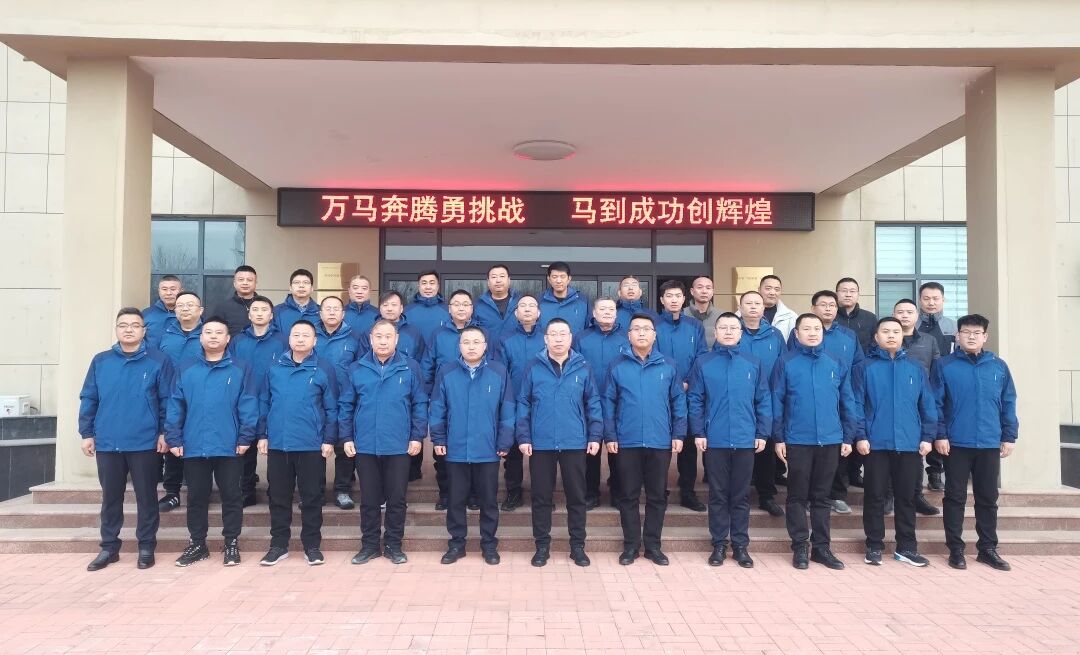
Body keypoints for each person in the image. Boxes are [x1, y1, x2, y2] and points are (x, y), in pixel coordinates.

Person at [79, 308, 173, 571]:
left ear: (144, 331)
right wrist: (87, 433)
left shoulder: (158, 360)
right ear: (116, 329)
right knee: (111, 498)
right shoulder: (101, 361)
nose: (129, 329)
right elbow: (89, 397)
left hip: (145, 442)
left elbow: (167, 399)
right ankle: (109, 547)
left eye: (135, 325)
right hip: (108, 441)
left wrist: (165, 432)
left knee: (147, 497)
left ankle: (146, 546)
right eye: (123, 325)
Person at [165, 317, 259, 567]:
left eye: (219, 332)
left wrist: (246, 436)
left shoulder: (241, 368)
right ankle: (198, 544)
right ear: (201, 337)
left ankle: (231, 543)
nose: (214, 336)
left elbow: (248, 403)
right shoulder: (186, 368)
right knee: (196, 497)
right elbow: (175, 404)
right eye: (208, 332)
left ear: (228, 339)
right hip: (194, 444)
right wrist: (173, 436)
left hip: (229, 445)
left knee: (232, 495)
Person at [772, 313, 862, 570]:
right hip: (797, 439)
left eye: (817, 329)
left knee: (822, 497)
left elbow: (847, 401)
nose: (812, 333)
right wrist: (779, 437)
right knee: (797, 495)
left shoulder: (836, 362)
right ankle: (800, 546)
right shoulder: (786, 362)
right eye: (807, 329)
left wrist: (848, 435)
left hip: (830, 439)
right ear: (796, 333)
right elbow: (777, 401)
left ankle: (822, 548)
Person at [931, 314, 1019, 572]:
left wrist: (1009, 435)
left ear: (985, 336)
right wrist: (940, 434)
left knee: (988, 498)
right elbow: (935, 403)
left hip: (989, 442)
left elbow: (1008, 402)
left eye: (976, 332)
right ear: (957, 336)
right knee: (955, 497)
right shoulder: (944, 365)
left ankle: (987, 549)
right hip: (956, 443)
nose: (971, 336)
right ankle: (955, 549)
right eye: (966, 332)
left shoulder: (998, 366)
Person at [339, 319, 428, 565]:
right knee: (369, 499)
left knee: (397, 499)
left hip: (398, 445)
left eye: (388, 336)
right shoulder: (357, 368)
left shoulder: (410, 367)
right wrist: (347, 437)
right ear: (371, 339)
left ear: (396, 339)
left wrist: (417, 436)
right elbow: (346, 405)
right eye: (378, 336)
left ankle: (393, 545)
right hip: (365, 444)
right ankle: (369, 545)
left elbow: (420, 404)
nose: (383, 341)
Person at [517, 318, 603, 567]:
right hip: (541, 442)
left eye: (563, 334)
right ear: (545, 339)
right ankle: (542, 546)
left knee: (576, 497)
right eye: (553, 334)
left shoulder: (583, 367)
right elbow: (523, 403)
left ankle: (577, 546)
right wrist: (524, 436)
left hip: (574, 441)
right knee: (541, 497)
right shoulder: (534, 366)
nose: (558, 339)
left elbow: (593, 403)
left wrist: (595, 435)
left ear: (570, 338)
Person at [852, 318, 937, 567]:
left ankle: (906, 547)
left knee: (907, 497)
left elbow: (927, 404)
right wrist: (860, 435)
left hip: (909, 443)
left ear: (903, 336)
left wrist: (927, 437)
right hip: (875, 443)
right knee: (875, 496)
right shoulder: (864, 368)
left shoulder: (915, 368)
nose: (891, 335)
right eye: (886, 331)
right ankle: (874, 545)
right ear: (876, 337)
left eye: (896, 332)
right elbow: (856, 404)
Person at [687, 313, 770, 568]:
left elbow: (763, 399)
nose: (729, 331)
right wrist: (699, 432)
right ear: (716, 332)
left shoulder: (753, 363)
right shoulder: (703, 363)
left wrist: (762, 432)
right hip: (716, 439)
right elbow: (695, 400)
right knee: (718, 494)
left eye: (734, 328)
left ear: (741, 333)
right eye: (723, 327)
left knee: (741, 495)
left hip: (745, 439)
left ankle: (741, 545)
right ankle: (719, 544)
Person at [604, 314, 687, 566]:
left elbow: (678, 401)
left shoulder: (668, 365)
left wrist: (679, 433)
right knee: (628, 495)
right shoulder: (617, 365)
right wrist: (611, 434)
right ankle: (630, 546)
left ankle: (653, 546)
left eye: (646, 329)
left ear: (654, 335)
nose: (641, 333)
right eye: (636, 329)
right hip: (627, 441)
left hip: (659, 440)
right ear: (628, 335)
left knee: (657, 496)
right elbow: (608, 403)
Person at [255, 320, 338, 566]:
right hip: (279, 443)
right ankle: (278, 545)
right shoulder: (274, 368)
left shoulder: (323, 368)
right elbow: (264, 403)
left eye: (305, 335)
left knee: (312, 497)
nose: (300, 339)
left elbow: (332, 407)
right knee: (278, 497)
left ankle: (312, 545)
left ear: (315, 340)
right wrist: (263, 434)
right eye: (296, 335)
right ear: (289, 339)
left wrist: (329, 439)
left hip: (311, 444)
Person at [430, 327, 515, 566]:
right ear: (459, 346)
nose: (471, 346)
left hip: (487, 449)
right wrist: (439, 438)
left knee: (489, 500)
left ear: (485, 345)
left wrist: (504, 440)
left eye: (476, 342)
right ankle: (457, 543)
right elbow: (437, 408)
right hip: (455, 448)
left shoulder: (499, 372)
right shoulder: (447, 372)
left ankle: (489, 544)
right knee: (455, 499)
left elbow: (508, 409)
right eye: (466, 342)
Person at [789, 290, 865, 516]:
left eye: (832, 305)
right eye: (823, 304)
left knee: (836, 455)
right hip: (804, 409)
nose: (828, 308)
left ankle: (837, 496)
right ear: (813, 308)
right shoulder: (798, 337)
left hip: (838, 397)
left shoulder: (848, 336)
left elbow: (858, 366)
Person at [422, 289, 499, 508]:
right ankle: (446, 494)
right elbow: (428, 365)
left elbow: (493, 364)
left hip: (478, 396)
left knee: (475, 449)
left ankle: (473, 495)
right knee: (443, 451)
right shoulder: (438, 334)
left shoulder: (483, 334)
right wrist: (429, 394)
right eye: (456, 304)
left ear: (472, 308)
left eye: (465, 304)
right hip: (447, 396)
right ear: (449, 309)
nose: (461, 308)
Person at [227, 295, 286, 506]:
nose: (259, 313)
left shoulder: (282, 340)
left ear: (271, 315)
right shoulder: (238, 340)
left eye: (264, 310)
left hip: (273, 398)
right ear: (249, 314)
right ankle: (246, 490)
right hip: (244, 397)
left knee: (274, 446)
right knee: (246, 445)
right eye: (255, 310)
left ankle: (275, 490)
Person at [654, 280, 707, 512]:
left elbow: (701, 357)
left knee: (687, 445)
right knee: (661, 444)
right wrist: (670, 384)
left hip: (688, 391)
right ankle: (659, 491)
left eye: (678, 296)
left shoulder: (695, 326)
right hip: (659, 392)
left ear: (684, 299)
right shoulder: (654, 325)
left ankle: (688, 491)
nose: (674, 300)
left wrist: (687, 382)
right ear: (662, 300)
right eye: (669, 296)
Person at [737, 290, 787, 517]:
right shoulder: (733, 330)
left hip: (768, 397)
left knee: (765, 446)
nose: (753, 307)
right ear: (740, 307)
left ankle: (767, 496)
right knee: (742, 448)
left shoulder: (774, 335)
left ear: (763, 308)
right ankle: (740, 495)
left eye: (757, 303)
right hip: (740, 398)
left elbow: (783, 364)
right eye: (748, 303)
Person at [155, 290, 205, 514]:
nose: (185, 308)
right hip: (170, 395)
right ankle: (172, 492)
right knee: (172, 441)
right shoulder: (164, 335)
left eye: (190, 305)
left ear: (200, 310)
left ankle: (199, 491)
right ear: (174, 310)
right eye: (180, 305)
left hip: (200, 397)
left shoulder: (209, 333)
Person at [893, 298, 943, 514]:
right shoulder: (887, 337)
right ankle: (888, 496)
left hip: (919, 403)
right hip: (890, 402)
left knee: (916, 452)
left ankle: (916, 496)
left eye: (909, 312)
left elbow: (936, 371)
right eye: (900, 311)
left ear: (916, 315)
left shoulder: (929, 340)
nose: (904, 315)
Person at [576, 297, 627, 509]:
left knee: (618, 448)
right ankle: (591, 492)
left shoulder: (626, 338)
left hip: (620, 400)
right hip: (589, 400)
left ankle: (617, 491)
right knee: (591, 448)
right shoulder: (581, 338)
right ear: (594, 314)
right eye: (602, 309)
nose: (607, 312)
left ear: (616, 313)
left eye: (611, 309)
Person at [497, 294, 544, 511]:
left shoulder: (547, 338)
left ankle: (542, 494)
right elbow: (500, 372)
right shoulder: (505, 339)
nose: (527, 309)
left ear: (538, 312)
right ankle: (514, 492)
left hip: (543, 403)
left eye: (531, 306)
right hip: (514, 401)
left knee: (542, 452)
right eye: (522, 306)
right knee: (514, 451)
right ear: (515, 313)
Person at [315, 295, 362, 510]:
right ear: (320, 313)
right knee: (316, 447)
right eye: (328, 308)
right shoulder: (311, 335)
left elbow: (361, 367)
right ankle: (315, 491)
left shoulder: (354, 338)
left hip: (345, 398)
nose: (332, 312)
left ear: (343, 314)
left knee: (345, 445)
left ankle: (343, 490)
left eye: (336, 309)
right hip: (316, 399)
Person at [539, 261, 588, 334]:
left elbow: (589, 328)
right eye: (554, 277)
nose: (558, 281)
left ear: (569, 279)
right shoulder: (539, 301)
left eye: (562, 277)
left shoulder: (582, 301)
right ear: (549, 279)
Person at [474, 264, 522, 338]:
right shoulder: (478, 306)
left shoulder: (521, 303)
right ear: (488, 282)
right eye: (494, 277)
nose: (498, 280)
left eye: (502, 276)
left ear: (509, 280)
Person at [209, 265, 258, 335]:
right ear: (234, 283)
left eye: (249, 280)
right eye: (241, 279)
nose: (245, 283)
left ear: (255, 283)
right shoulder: (222, 307)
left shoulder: (265, 306)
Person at [405, 269, 450, 343]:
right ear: (419, 286)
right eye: (424, 283)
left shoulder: (448, 311)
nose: (428, 287)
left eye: (432, 283)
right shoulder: (406, 311)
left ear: (438, 286)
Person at [834, 277, 877, 352]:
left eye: (852, 291)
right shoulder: (830, 316)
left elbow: (875, 344)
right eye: (844, 291)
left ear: (858, 294)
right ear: (836, 294)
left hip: (863, 359)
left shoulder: (870, 318)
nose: (848, 295)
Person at [273, 268, 320, 333]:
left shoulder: (321, 312)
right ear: (290, 288)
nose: (301, 286)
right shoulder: (276, 311)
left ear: (312, 288)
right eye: (297, 282)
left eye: (306, 282)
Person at [918, 282, 957, 357]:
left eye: (935, 299)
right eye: (926, 299)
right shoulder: (911, 325)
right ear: (920, 300)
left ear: (943, 300)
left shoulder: (954, 326)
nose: (931, 303)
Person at [143, 275, 182, 348]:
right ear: (159, 291)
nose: (168, 293)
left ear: (181, 291)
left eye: (173, 289)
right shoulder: (146, 314)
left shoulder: (188, 314)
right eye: (164, 289)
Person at [685, 276, 723, 348]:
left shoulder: (722, 316)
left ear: (712, 292)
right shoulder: (682, 315)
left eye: (708, 288)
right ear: (692, 291)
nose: (704, 291)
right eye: (700, 287)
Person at [758, 275, 797, 342]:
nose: (772, 293)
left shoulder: (791, 316)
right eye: (768, 288)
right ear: (759, 289)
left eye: (777, 289)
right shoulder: (744, 314)